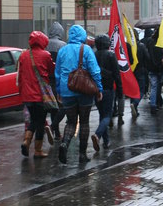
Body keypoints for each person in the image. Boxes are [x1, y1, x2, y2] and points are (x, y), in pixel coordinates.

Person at [55, 25, 103, 164]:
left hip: (67, 90)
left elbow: (58, 73)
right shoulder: (86, 49)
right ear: (82, 36)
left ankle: (64, 144)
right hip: (84, 91)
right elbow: (95, 71)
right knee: (84, 122)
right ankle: (82, 154)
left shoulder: (62, 50)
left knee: (70, 122)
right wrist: (99, 88)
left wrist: (59, 91)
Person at [17, 31, 55, 158]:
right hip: (40, 95)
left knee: (33, 119)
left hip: (27, 95)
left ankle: (26, 141)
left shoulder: (23, 55)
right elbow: (51, 70)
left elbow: (21, 75)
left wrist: (21, 93)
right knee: (40, 122)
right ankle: (38, 150)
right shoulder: (45, 55)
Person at [93, 34, 122, 150]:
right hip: (108, 89)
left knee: (101, 114)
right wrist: (120, 91)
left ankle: (106, 141)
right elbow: (117, 74)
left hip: (96, 89)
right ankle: (98, 134)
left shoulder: (94, 55)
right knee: (107, 115)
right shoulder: (111, 55)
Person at [46, 22, 67, 140]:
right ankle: (53, 127)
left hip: (47, 80)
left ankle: (56, 132)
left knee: (54, 108)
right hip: (59, 80)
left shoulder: (45, 44)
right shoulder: (63, 45)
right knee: (63, 106)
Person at [145, 28, 163, 114]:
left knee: (154, 87)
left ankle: (153, 105)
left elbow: (147, 54)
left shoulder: (150, 42)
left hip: (152, 68)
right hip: (162, 68)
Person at [130, 28, 150, 119]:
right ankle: (135, 104)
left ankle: (134, 108)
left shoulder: (129, 46)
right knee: (141, 90)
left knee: (132, 91)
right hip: (141, 71)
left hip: (131, 71)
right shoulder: (141, 46)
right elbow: (147, 57)